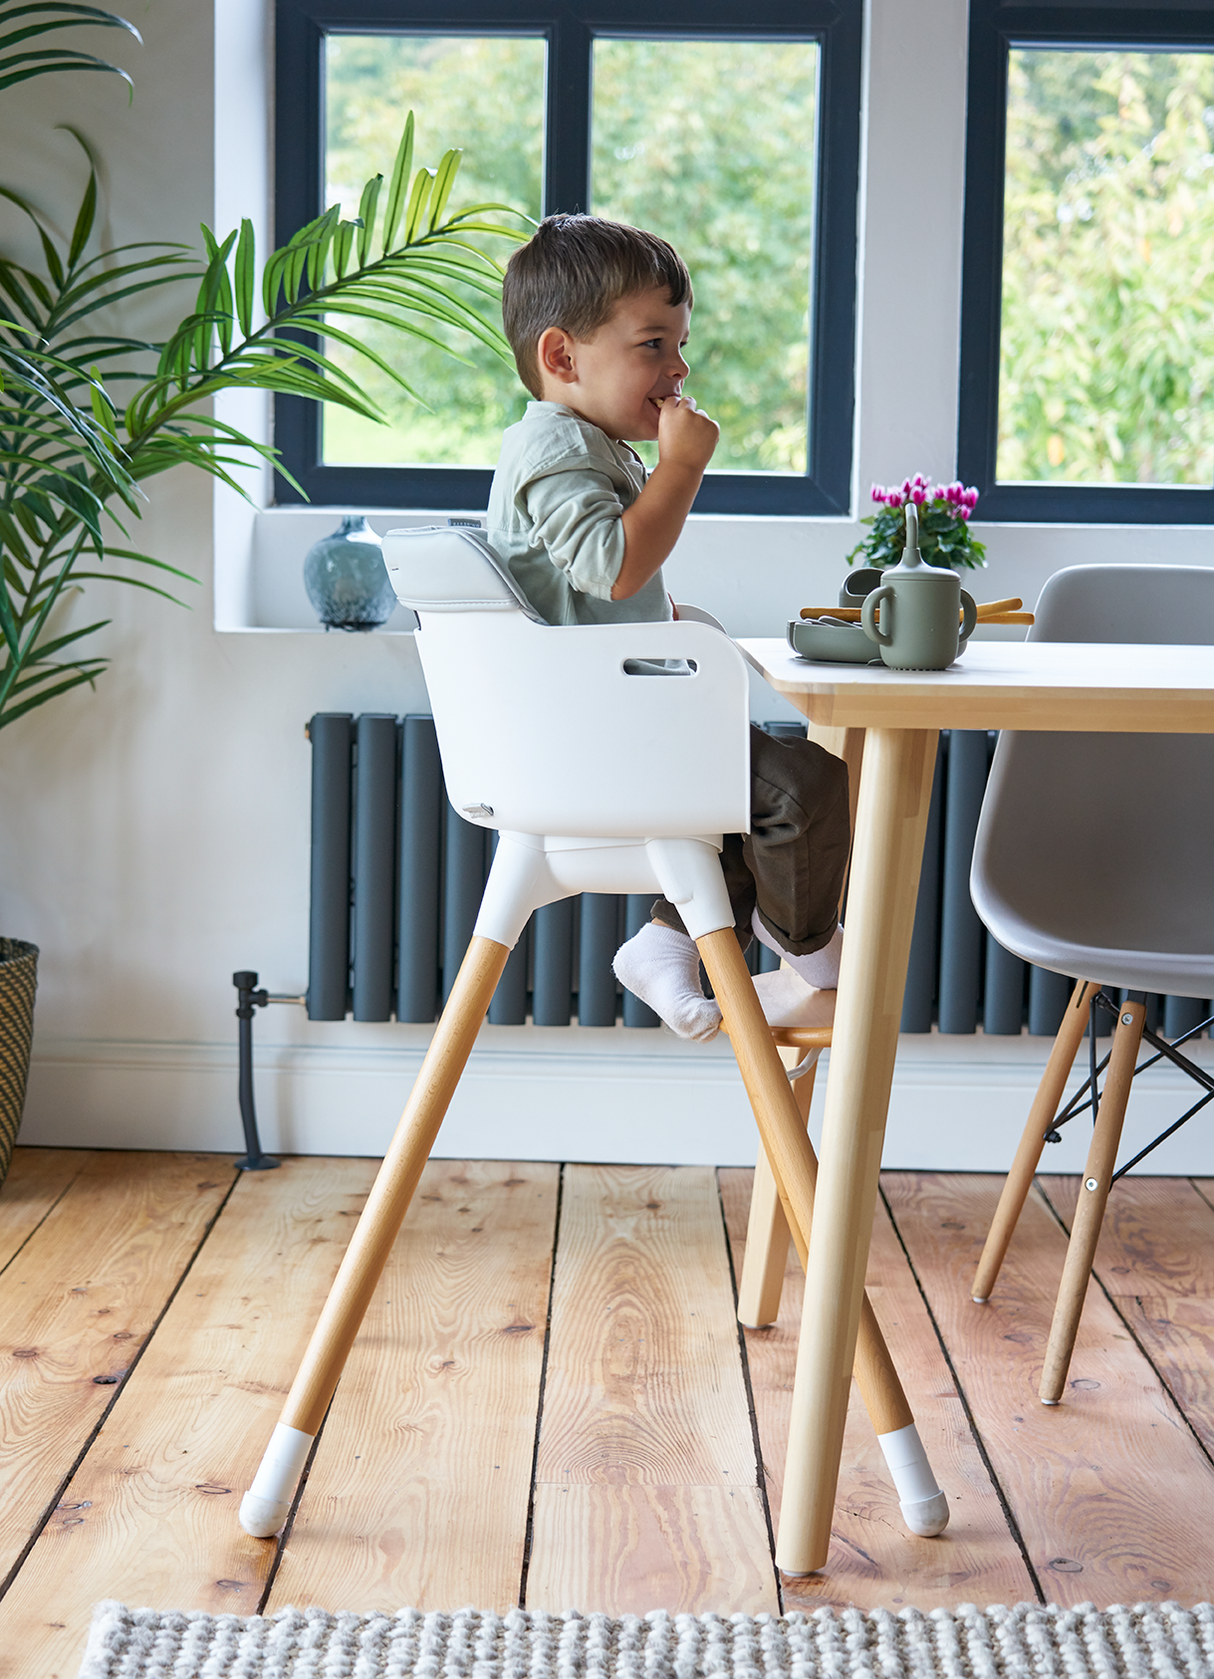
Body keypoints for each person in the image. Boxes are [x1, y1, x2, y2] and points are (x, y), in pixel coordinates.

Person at [487, 213, 848, 1040]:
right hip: (596, 739)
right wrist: (683, 468)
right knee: (804, 788)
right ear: (561, 357)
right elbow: (611, 566)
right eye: (653, 343)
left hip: (611, 724)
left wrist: (671, 623)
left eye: (681, 346)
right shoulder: (552, 446)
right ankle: (808, 946)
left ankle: (663, 941)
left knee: (738, 804)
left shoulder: (582, 444)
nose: (678, 368)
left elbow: (597, 595)